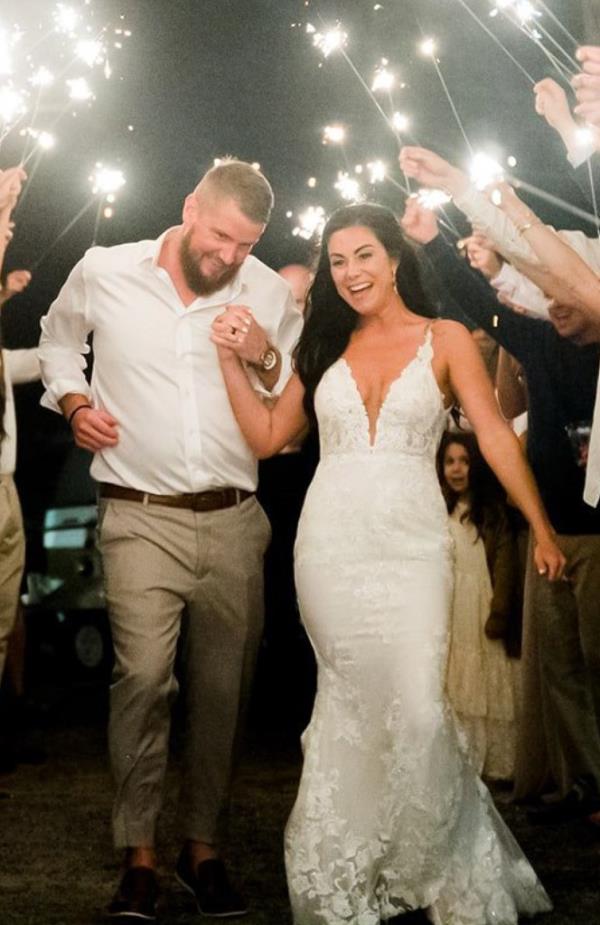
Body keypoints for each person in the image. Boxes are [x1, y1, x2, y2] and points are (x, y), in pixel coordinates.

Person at [210, 201, 565, 924]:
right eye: (337, 261)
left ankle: (430, 864)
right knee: (349, 703)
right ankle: (350, 870)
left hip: (411, 543)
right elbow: (269, 435)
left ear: (395, 257)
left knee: (421, 709)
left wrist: (542, 527)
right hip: (330, 544)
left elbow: (494, 433)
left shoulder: (446, 338)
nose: (350, 272)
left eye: (363, 255)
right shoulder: (322, 345)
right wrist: (230, 360)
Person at [38, 158, 302, 921]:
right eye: (220, 237)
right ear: (191, 208)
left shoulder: (268, 294)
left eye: (245, 247)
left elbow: (288, 392)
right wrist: (75, 399)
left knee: (225, 691)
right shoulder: (105, 268)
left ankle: (203, 848)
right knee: (146, 678)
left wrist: (262, 350)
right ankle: (140, 855)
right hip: (137, 511)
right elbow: (58, 344)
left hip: (232, 515)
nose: (228, 258)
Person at [398, 168, 600, 816]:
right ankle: (585, 784)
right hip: (550, 527)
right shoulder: (540, 340)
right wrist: (430, 244)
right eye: (547, 292)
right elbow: (473, 300)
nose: (555, 301)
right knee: (560, 669)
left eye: (565, 289)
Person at [438, 432, 520, 782]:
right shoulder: (438, 511)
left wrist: (499, 611)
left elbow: (504, 564)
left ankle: (495, 761)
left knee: (487, 677)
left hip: (482, 606)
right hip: (452, 608)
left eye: (464, 461)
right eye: (450, 462)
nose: (457, 470)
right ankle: (459, 756)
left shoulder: (491, 514)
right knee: (456, 679)